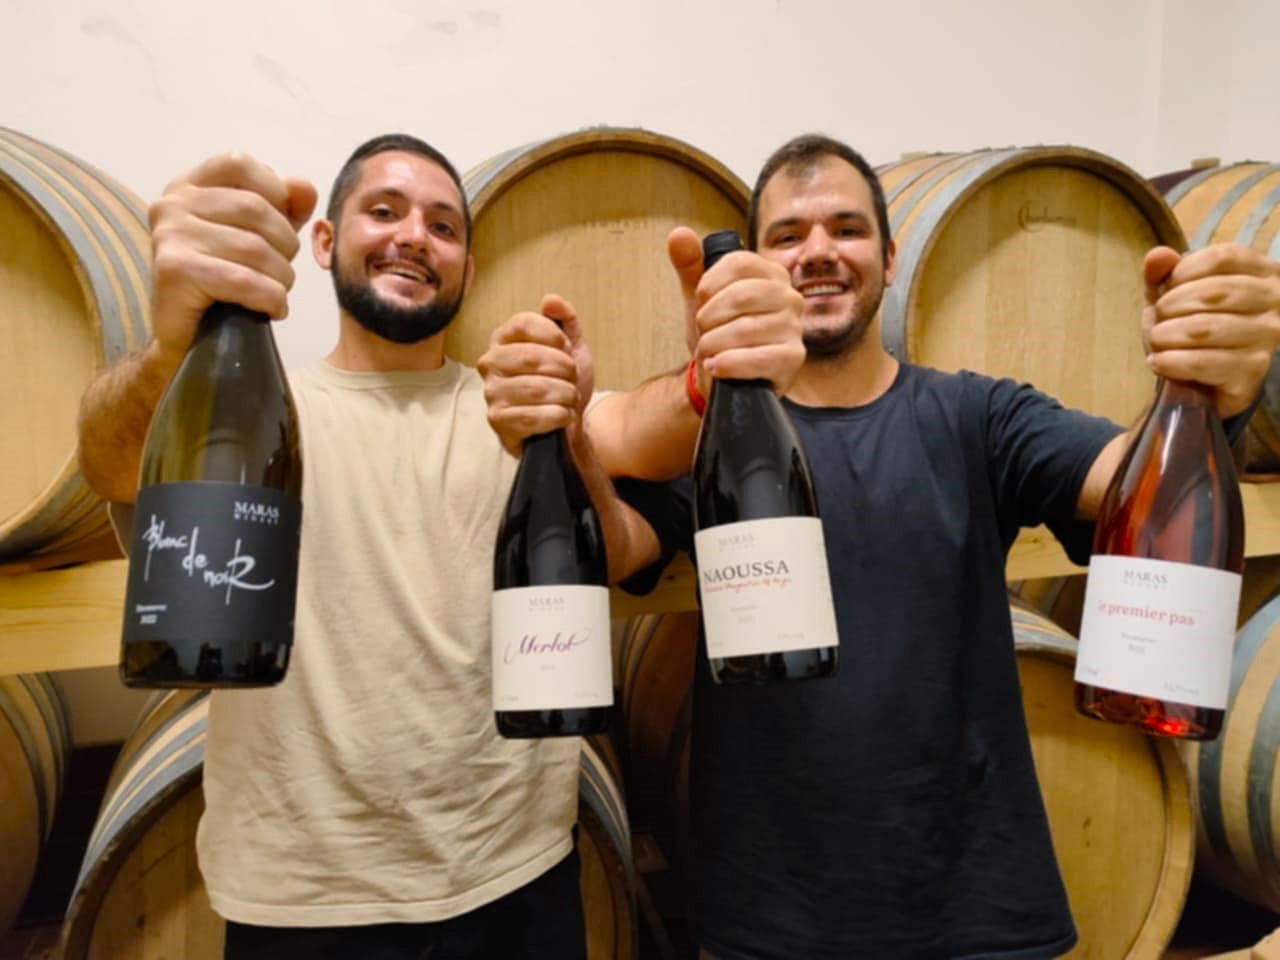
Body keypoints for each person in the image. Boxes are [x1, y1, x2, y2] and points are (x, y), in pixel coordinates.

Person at [479, 133, 1280, 959]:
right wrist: (565, 436)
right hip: (772, 918)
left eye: (847, 229)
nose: (818, 251)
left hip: (978, 910)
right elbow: (616, 547)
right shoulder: (712, 439)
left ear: (891, 258)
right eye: (787, 235)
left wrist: (1208, 398)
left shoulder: (977, 416)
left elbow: (1125, 483)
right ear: (752, 269)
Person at [75, 133, 806, 959]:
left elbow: (644, 432)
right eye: (384, 211)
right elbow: (111, 460)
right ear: (325, 240)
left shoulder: (517, 408)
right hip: (302, 899)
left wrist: (715, 368)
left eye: (443, 226)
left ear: (467, 264)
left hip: (519, 875)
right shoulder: (260, 409)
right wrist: (175, 348)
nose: (414, 237)